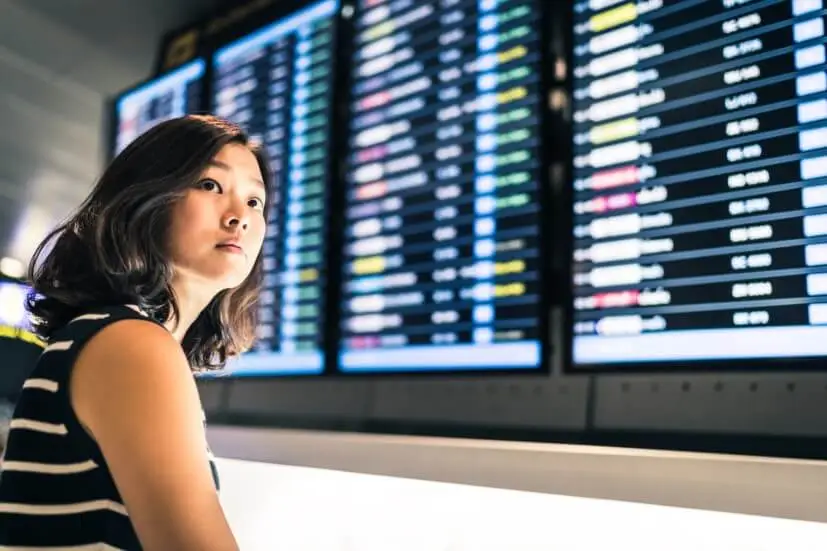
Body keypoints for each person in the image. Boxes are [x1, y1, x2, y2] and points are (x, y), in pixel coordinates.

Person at [0, 114, 270, 550]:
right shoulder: (131, 344)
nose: (240, 216)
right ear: (146, 199)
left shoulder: (106, 338)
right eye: (210, 186)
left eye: (256, 202)